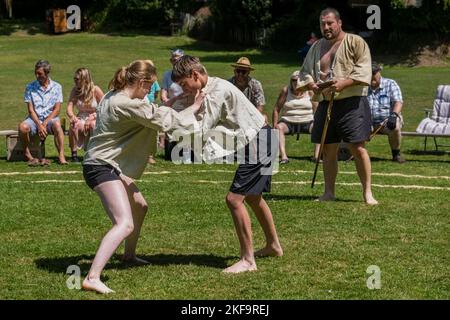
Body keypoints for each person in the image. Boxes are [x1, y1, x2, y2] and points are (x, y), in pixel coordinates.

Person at [81, 60, 203, 294]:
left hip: (103, 164)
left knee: (140, 205)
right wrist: (195, 108)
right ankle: (92, 277)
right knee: (124, 223)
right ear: (140, 82)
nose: (149, 92)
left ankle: (129, 256)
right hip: (100, 167)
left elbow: (150, 113)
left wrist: (171, 102)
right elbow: (160, 120)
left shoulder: (113, 95)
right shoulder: (124, 103)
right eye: (149, 87)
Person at [172, 55, 283, 273]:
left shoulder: (217, 91)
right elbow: (190, 105)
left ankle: (248, 260)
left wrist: (173, 128)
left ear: (195, 75)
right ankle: (273, 245)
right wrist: (169, 106)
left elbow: (203, 129)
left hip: (259, 141)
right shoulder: (211, 87)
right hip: (264, 138)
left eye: (184, 84)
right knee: (252, 197)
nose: (184, 89)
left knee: (234, 199)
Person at [300, 7, 378, 205]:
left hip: (352, 102)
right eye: (322, 24)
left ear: (339, 23)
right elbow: (306, 72)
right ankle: (329, 192)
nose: (326, 27)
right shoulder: (317, 46)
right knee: (328, 148)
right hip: (326, 102)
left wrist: (345, 83)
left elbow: (364, 69)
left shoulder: (355, 42)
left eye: (329, 23)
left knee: (357, 147)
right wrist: (311, 84)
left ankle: (367, 192)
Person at [19, 59, 67, 166]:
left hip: (50, 120)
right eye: (35, 73)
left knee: (57, 124)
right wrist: (39, 125)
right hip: (34, 119)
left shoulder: (57, 87)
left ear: (47, 73)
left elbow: (57, 109)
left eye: (39, 73)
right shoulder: (29, 87)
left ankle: (61, 155)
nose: (37, 76)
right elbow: (31, 110)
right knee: (22, 127)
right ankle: (28, 155)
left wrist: (44, 123)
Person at [272, 70, 320, 164]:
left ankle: (316, 156)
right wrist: (274, 125)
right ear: (291, 81)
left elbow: (317, 109)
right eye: (294, 80)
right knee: (278, 128)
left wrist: (318, 122)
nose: (296, 82)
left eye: (298, 80)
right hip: (288, 122)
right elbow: (276, 109)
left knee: (319, 127)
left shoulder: (310, 91)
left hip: (308, 121)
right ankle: (284, 157)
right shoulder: (286, 91)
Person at [368, 62, 406, 163]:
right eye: (369, 73)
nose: (371, 76)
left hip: (387, 121)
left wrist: (393, 115)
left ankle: (396, 154)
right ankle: (351, 153)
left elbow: (398, 102)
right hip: (368, 121)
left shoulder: (390, 84)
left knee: (395, 127)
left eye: (374, 73)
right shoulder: (363, 87)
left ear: (379, 72)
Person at [66, 68, 104, 162]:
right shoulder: (75, 90)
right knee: (74, 124)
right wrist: (72, 116)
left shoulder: (96, 89)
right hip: (81, 116)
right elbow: (69, 106)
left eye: (77, 79)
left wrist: (92, 117)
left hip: (96, 116)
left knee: (93, 125)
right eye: (74, 79)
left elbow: (104, 107)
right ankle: (74, 155)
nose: (75, 81)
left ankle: (94, 153)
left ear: (85, 79)